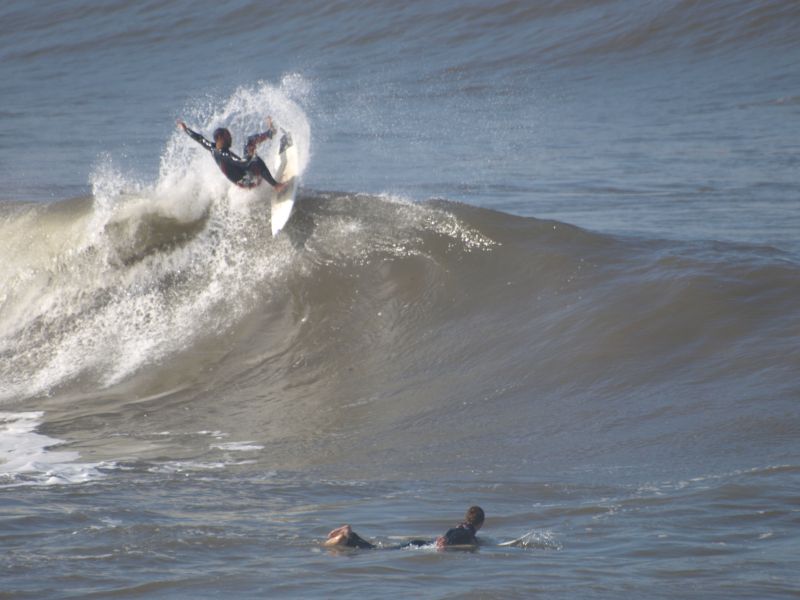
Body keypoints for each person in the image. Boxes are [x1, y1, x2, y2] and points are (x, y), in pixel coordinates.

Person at [176, 117, 286, 192]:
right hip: (247, 182)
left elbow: (199, 138)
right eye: (228, 136)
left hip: (245, 173)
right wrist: (250, 156)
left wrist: (186, 129)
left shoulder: (212, 147)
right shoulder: (224, 155)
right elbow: (242, 162)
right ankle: (276, 186)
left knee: (249, 140)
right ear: (220, 138)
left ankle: (270, 132)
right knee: (255, 161)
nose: (231, 137)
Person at [324, 506, 485, 550]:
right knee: (375, 551)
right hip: (422, 545)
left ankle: (350, 536)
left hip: (422, 543)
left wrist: (446, 539)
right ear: (481, 523)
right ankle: (349, 535)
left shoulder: (462, 526)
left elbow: (453, 532)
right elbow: (458, 535)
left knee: (377, 549)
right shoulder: (468, 532)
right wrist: (446, 542)